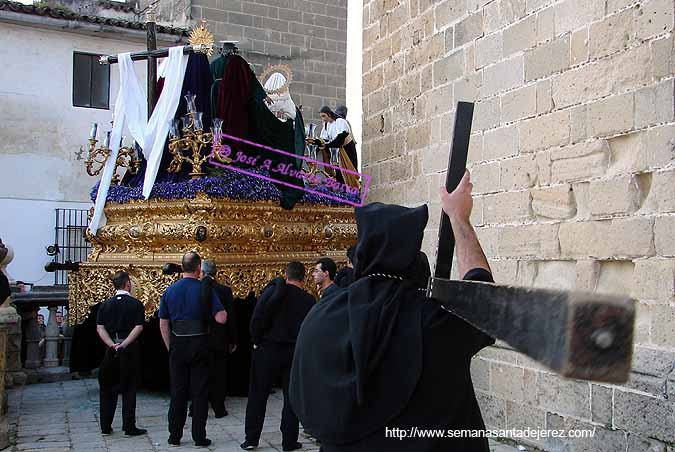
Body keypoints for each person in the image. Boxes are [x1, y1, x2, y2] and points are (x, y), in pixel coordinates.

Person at [290, 170, 496, 451]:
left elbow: (304, 395)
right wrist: (459, 218)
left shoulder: (321, 315)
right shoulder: (433, 320)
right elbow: (484, 301)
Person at [241, 261, 316, 451]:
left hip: (267, 349)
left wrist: (257, 340)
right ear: (303, 277)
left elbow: (257, 319)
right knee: (291, 398)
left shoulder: (270, 292)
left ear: (286, 274)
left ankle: (251, 439)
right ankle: (289, 441)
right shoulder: (308, 300)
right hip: (293, 352)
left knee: (258, 394)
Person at [159, 252, 228, 448]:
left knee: (178, 392)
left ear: (182, 268)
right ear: (199, 269)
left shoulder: (170, 291)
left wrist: (170, 347)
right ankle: (199, 436)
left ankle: (174, 435)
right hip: (200, 344)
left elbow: (163, 324)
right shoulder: (204, 289)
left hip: (178, 343)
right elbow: (221, 318)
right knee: (199, 393)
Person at [95, 271, 147, 437]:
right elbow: (138, 327)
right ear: (128, 284)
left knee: (107, 387)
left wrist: (112, 344)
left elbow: (100, 327)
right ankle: (129, 426)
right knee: (129, 387)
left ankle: (105, 425)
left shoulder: (105, 305)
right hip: (128, 347)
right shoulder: (136, 304)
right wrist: (124, 344)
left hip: (110, 348)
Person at [201, 259, 237, 418]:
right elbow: (231, 318)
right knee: (219, 374)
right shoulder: (224, 290)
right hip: (219, 338)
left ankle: (196, 407)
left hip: (200, 336)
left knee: (200, 374)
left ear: (201, 272)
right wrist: (233, 339)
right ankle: (219, 408)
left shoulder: (195, 289)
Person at [312, 106, 359, 188]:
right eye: (321, 117)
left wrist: (328, 145)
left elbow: (340, 138)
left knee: (350, 172)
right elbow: (324, 139)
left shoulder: (340, 121)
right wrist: (316, 142)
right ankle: (342, 192)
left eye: (324, 116)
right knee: (339, 173)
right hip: (338, 151)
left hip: (348, 149)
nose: (323, 119)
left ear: (329, 114)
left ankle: (352, 192)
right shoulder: (327, 125)